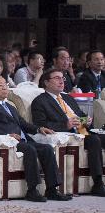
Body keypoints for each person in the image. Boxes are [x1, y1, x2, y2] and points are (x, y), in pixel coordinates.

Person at [0, 76, 70, 202]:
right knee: (30, 149)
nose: (5, 87)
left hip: (23, 140)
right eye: (0, 85)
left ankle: (52, 189)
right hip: (8, 142)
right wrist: (7, 136)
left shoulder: (11, 107)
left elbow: (23, 124)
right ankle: (32, 190)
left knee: (47, 148)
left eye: (5, 84)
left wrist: (39, 129)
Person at [31, 68, 105, 196]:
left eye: (62, 78)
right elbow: (41, 124)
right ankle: (98, 184)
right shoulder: (40, 101)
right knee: (94, 140)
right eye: (57, 78)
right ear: (46, 83)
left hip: (83, 131)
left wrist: (86, 120)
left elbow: (80, 115)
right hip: (71, 135)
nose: (61, 81)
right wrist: (65, 125)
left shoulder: (68, 98)